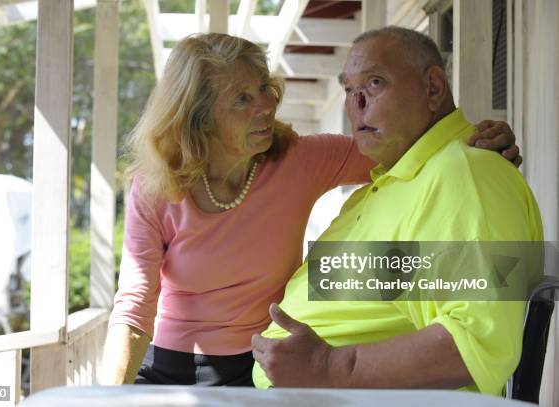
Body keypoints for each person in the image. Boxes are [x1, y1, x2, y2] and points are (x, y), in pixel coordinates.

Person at [101, 32, 522, 387]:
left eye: (264, 87)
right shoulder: (156, 187)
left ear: (433, 87)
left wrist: (473, 139)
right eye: (242, 98)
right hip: (183, 365)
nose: (266, 105)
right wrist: (108, 396)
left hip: (268, 371)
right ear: (200, 120)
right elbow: (135, 304)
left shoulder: (302, 160)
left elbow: (412, 142)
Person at [251, 27, 543, 396]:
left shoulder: (465, 175)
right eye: (348, 90)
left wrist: (328, 367)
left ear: (433, 89)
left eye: (374, 83)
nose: (357, 105)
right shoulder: (392, 180)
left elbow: (475, 341)